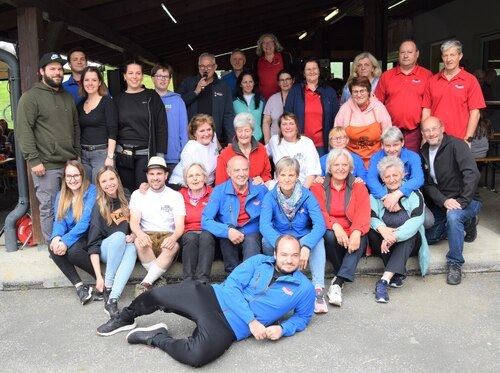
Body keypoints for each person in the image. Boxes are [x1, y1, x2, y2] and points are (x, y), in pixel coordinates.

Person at [96, 234, 315, 368]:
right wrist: (252, 321)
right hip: (212, 297)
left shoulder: (303, 288)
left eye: (294, 255)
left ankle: (156, 337)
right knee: (156, 295)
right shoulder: (258, 261)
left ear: (300, 257)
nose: (289, 260)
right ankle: (125, 317)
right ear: (275, 253)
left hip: (230, 328)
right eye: (284, 254)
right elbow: (231, 287)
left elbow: (303, 317)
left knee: (196, 356)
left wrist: (283, 329)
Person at [16, 52, 80, 242]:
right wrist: (34, 159)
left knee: (72, 205)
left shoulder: (67, 97)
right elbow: (23, 129)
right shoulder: (30, 97)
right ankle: (55, 247)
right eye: (52, 69)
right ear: (42, 71)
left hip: (69, 162)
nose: (57, 72)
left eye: (60, 69)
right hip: (46, 165)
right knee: (50, 207)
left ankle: (69, 244)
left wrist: (76, 155)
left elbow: (75, 127)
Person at [260, 157, 327, 313]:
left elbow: (320, 225)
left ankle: (318, 289)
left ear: (297, 176)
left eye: (291, 175)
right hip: (281, 237)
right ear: (277, 176)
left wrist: (307, 246)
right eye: (283, 175)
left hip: (301, 236)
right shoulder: (270, 196)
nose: (287, 179)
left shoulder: (307, 195)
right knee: (266, 241)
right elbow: (264, 225)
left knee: (318, 241)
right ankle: (280, 279)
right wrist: (283, 244)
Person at [420, 117, 481, 286]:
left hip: (468, 200)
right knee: (429, 238)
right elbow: (428, 183)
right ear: (423, 133)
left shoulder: (457, 145)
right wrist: (444, 201)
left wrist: (461, 202)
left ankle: (455, 263)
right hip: (444, 203)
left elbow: (472, 174)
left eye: (434, 129)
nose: (431, 133)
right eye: (427, 130)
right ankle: (463, 224)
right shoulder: (424, 150)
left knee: (454, 216)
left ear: (442, 128)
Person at [310, 149, 370, 307]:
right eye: (336, 164)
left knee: (363, 235)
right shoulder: (318, 186)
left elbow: (363, 212)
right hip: (333, 234)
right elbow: (318, 211)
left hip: (351, 233)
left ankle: (337, 282)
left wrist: (356, 231)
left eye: (345, 165)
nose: (341, 168)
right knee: (328, 234)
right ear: (329, 167)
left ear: (350, 167)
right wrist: (335, 225)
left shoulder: (358, 186)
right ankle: (342, 273)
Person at [368, 156, 429, 303]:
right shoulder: (376, 195)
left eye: (395, 175)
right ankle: (397, 274)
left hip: (408, 243)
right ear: (382, 179)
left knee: (411, 234)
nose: (392, 179)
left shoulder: (414, 193)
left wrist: (395, 236)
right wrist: (383, 230)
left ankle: (383, 281)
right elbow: (370, 217)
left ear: (403, 174)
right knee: (371, 230)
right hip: (383, 240)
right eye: (387, 176)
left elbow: (417, 220)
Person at [202, 156, 268, 275]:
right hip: (229, 236)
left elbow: (271, 216)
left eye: (245, 169)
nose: (241, 174)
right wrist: (227, 231)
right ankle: (231, 278)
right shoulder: (219, 191)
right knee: (227, 231)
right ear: (228, 172)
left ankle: (249, 280)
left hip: (252, 234)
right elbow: (206, 220)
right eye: (237, 170)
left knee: (252, 240)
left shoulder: (261, 189)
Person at [130, 157, 186, 295]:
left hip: (167, 236)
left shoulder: (175, 196)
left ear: (166, 175)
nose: (155, 178)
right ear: (147, 176)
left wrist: (173, 238)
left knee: (174, 246)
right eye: (152, 174)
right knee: (138, 241)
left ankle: (144, 284)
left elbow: (180, 226)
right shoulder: (138, 194)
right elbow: (134, 222)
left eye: (159, 173)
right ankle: (157, 279)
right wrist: (140, 234)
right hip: (147, 236)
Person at [87, 166, 137, 318]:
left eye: (111, 178)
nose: (109, 183)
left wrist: (134, 234)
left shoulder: (127, 196)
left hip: (124, 247)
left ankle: (112, 299)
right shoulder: (99, 206)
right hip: (106, 250)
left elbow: (135, 222)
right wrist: (99, 277)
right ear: (99, 185)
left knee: (132, 249)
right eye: (104, 181)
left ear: (117, 179)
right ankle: (108, 286)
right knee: (119, 237)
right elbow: (93, 245)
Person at [48, 160, 97, 304]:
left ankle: (103, 280)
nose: (72, 180)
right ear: (64, 178)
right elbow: (59, 220)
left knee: (73, 250)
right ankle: (80, 286)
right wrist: (57, 237)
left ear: (82, 175)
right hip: (73, 236)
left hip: (89, 235)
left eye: (76, 175)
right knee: (53, 247)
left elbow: (85, 222)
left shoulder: (91, 191)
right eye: (68, 176)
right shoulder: (61, 195)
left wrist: (65, 241)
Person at [114, 61, 167, 192]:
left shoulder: (151, 96)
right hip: (123, 154)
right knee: (125, 193)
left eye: (138, 73)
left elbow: (161, 126)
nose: (134, 76)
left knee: (143, 192)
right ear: (124, 76)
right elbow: (112, 128)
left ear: (143, 76)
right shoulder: (117, 99)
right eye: (130, 73)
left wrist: (159, 156)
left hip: (145, 154)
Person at [422, 40, 486, 145]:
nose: (448, 59)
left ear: (460, 56)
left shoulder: (470, 80)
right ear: (442, 58)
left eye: (452, 55)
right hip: (435, 139)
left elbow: (475, 112)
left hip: (460, 140)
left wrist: (468, 139)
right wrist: (425, 136)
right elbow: (426, 110)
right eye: (445, 55)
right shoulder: (432, 81)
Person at [375, 40, 432, 152]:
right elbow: (377, 104)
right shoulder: (386, 76)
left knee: (412, 164)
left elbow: (429, 106)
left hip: (415, 133)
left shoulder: (427, 76)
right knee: (391, 165)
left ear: (417, 54)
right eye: (402, 52)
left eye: (409, 52)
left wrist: (425, 134)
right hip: (390, 131)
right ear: (398, 54)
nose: (405, 55)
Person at [284, 57, 339, 156]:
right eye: (308, 69)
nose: (312, 71)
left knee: (321, 171)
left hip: (322, 144)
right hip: (299, 142)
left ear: (319, 71)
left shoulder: (329, 92)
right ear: (304, 73)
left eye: (314, 68)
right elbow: (287, 115)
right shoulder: (295, 91)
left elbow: (336, 118)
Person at [334, 76, 392, 168]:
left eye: (362, 91)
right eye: (355, 92)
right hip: (351, 162)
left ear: (369, 91)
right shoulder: (344, 109)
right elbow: (336, 138)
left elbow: (388, 136)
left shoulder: (379, 108)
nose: (359, 95)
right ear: (351, 93)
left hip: (376, 161)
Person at [178, 52, 234, 147]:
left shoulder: (223, 87)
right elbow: (178, 104)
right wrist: (195, 92)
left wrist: (230, 140)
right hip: (192, 139)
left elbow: (228, 115)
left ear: (215, 67)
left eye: (209, 66)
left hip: (215, 139)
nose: (205, 69)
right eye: (202, 66)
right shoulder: (188, 83)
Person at [366, 127, 424, 213]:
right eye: (388, 146)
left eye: (395, 145)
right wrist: (387, 197)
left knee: (428, 221)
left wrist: (397, 194)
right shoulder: (376, 157)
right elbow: (371, 179)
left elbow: (418, 178)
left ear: (402, 143)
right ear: (382, 145)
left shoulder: (413, 156)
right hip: (384, 195)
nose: (392, 150)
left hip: (408, 196)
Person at [77, 66, 118, 183]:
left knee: (101, 191)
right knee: (87, 191)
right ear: (82, 83)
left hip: (102, 154)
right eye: (87, 80)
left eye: (94, 80)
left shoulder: (107, 102)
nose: (90, 83)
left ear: (100, 82)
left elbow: (113, 130)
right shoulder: (80, 104)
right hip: (83, 155)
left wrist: (110, 157)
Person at [179, 163, 215, 283]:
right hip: (187, 234)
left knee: (206, 236)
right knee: (191, 237)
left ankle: (202, 280)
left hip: (208, 233)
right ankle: (188, 280)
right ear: (186, 180)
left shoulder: (214, 193)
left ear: (204, 178)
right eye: (191, 176)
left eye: (198, 175)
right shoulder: (179, 195)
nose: (194, 179)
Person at [266, 112, 321, 189]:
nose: (288, 127)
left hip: (303, 187)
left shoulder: (307, 143)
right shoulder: (274, 141)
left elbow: (311, 173)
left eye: (291, 123)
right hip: (279, 188)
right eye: (284, 124)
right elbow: (261, 153)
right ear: (280, 127)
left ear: (297, 127)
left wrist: (302, 193)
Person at [151, 64, 188, 175]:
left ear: (170, 79)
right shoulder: (148, 99)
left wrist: (184, 153)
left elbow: (183, 130)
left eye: (166, 76)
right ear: (152, 78)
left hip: (173, 157)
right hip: (152, 156)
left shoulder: (178, 101)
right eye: (159, 76)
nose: (163, 79)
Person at [215, 112, 271, 186]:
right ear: (236, 132)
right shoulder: (224, 155)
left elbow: (267, 176)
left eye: (247, 131)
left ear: (252, 131)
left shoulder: (261, 149)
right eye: (240, 131)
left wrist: (262, 179)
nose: (243, 134)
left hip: (257, 193)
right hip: (233, 195)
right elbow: (220, 185)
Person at [169, 114, 219, 186]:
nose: (207, 134)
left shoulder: (213, 138)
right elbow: (190, 178)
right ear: (194, 133)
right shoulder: (190, 149)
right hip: (183, 185)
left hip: (206, 185)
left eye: (209, 129)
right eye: (202, 131)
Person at [252, 33, 294, 101]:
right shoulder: (257, 61)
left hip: (284, 99)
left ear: (275, 44)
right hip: (264, 101)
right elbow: (255, 81)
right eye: (264, 43)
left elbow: (292, 77)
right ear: (261, 46)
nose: (267, 45)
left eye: (270, 42)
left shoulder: (285, 57)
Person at [262, 69, 294, 144]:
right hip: (276, 142)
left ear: (293, 80)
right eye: (282, 80)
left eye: (287, 79)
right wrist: (267, 142)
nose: (285, 82)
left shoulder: (299, 98)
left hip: (294, 142)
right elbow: (266, 122)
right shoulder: (272, 99)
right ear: (278, 83)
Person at [233, 71, 265, 142]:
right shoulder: (234, 101)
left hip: (259, 140)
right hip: (241, 140)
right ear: (240, 84)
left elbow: (264, 122)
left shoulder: (261, 100)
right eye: (245, 82)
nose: (248, 84)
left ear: (254, 83)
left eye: (250, 82)